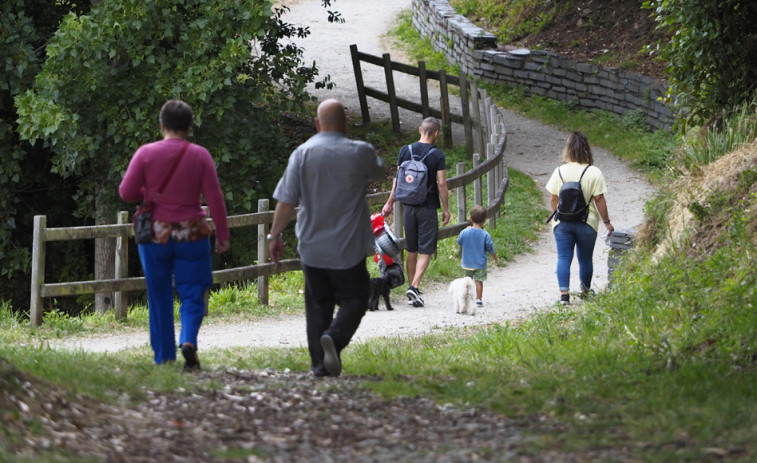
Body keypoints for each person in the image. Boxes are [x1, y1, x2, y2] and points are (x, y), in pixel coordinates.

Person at [268, 99, 384, 378]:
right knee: (356, 297)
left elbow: (285, 203)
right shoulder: (360, 152)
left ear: (317, 124)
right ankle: (335, 335)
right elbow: (379, 171)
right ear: (345, 123)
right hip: (348, 247)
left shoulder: (302, 154)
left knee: (317, 304)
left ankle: (320, 367)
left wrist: (275, 235)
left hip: (312, 247)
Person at [119, 100, 230, 370]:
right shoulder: (200, 155)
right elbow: (214, 197)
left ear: (162, 125)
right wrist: (223, 234)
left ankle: (164, 357)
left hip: (155, 234)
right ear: (189, 127)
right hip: (192, 233)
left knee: (159, 294)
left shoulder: (145, 154)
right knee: (193, 291)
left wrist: (147, 193)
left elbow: (126, 193)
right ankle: (189, 339)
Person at [381, 117, 450, 307]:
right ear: (436, 133)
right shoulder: (437, 155)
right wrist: (445, 208)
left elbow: (397, 180)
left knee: (411, 248)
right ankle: (415, 286)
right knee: (426, 249)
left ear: (420, 130)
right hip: (427, 207)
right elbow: (442, 183)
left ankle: (413, 291)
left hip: (408, 207)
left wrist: (389, 203)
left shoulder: (406, 150)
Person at [546, 131, 614, 305]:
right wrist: (607, 222)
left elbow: (553, 198)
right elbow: (599, 199)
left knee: (563, 257)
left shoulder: (559, 171)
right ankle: (584, 291)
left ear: (568, 149)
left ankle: (564, 295)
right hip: (587, 223)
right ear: (587, 150)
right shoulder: (594, 172)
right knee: (585, 258)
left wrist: (560, 214)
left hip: (563, 224)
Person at [457, 205, 498, 307]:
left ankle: (466, 298)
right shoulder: (485, 234)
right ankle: (478, 300)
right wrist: (494, 257)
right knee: (478, 282)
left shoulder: (464, 232)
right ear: (485, 220)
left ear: (470, 219)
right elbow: (490, 248)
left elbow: (459, 241)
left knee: (467, 282)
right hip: (480, 264)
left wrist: (465, 230)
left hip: (467, 263)